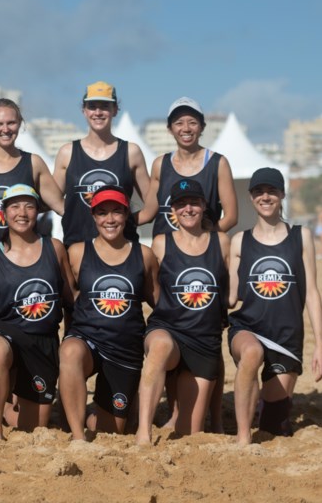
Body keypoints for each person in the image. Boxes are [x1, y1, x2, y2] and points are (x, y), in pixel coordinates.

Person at [228, 168, 322, 445]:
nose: (265, 196)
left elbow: (311, 292)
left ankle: (262, 406)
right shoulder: (239, 241)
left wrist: (321, 345)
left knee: (274, 426)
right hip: (248, 328)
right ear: (251, 197)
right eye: (259, 192)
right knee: (251, 353)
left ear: (282, 194)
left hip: (286, 337)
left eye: (272, 191)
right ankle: (242, 437)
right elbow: (230, 297)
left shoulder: (301, 236)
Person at [59, 186, 158, 441]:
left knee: (112, 431)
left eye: (116, 212)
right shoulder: (78, 252)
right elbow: (64, 295)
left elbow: (159, 301)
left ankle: (99, 410)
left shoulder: (144, 255)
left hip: (124, 349)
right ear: (93, 217)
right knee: (69, 351)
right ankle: (78, 437)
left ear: (126, 215)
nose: (110, 219)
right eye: (102, 213)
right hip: (87, 340)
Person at [0, 184, 75, 440]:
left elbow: (71, 296)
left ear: (38, 212)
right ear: (4, 213)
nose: (22, 212)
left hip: (42, 341)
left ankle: (9, 400)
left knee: (34, 427)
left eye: (29, 206)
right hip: (7, 334)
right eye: (15, 206)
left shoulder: (55, 248)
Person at [136, 179, 229, 444]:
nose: (188, 209)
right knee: (161, 346)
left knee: (191, 433)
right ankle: (144, 431)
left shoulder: (221, 242)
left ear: (203, 206)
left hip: (203, 341)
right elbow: (151, 288)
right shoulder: (161, 243)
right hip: (169, 331)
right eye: (181, 204)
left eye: (194, 203)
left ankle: (185, 416)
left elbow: (229, 290)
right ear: (173, 211)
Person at [0, 99, 64, 251]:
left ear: (20, 123)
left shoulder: (33, 163)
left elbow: (60, 206)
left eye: (11, 123)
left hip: (23, 259)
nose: (6, 129)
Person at [53, 81, 149, 247]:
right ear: (84, 111)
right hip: (77, 248)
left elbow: (152, 202)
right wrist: (71, 214)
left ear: (115, 110)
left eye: (104, 106)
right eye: (92, 106)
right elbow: (51, 197)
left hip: (122, 248)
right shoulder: (67, 153)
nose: (98, 112)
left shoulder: (131, 152)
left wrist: (128, 220)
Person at [138, 97, 237, 237]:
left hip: (203, 255)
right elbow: (148, 213)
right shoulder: (160, 164)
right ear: (170, 129)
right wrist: (110, 219)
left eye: (192, 123)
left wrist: (203, 241)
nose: (186, 128)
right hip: (165, 254)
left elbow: (231, 217)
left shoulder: (218, 163)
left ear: (202, 127)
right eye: (179, 123)